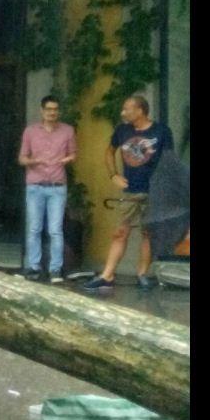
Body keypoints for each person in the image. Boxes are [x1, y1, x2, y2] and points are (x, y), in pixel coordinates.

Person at [83, 95, 174, 290]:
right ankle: (107, 275)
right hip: (131, 190)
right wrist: (113, 175)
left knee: (148, 234)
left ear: (140, 111)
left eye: (127, 109)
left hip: (155, 190)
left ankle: (142, 275)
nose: (123, 113)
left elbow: (169, 161)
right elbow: (109, 152)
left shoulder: (161, 131)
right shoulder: (122, 130)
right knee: (120, 232)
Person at [18, 96, 76, 282]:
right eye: (49, 109)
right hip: (35, 185)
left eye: (56, 109)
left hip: (57, 186)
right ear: (42, 111)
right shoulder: (30, 131)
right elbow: (22, 158)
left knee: (55, 230)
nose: (53, 112)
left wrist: (66, 159)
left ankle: (55, 270)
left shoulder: (68, 130)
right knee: (34, 228)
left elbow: (73, 153)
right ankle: (34, 267)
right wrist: (35, 161)